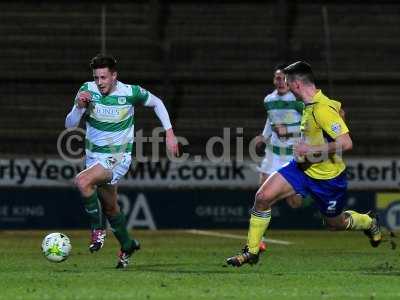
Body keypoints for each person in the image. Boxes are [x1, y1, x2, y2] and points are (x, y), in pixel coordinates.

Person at [227, 61, 381, 267]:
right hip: (301, 168)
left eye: (289, 84)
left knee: (335, 223)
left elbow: (346, 143)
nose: (287, 88)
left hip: (328, 179)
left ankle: (368, 222)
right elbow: (336, 109)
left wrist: (311, 150)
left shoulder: (321, 109)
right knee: (263, 197)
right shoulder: (313, 105)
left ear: (297, 85)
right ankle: (251, 252)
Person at [65, 54, 179, 269]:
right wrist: (78, 107)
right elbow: (70, 125)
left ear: (114, 76)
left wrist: (170, 133)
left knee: (82, 181)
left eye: (104, 77)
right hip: (94, 157)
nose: (100, 82)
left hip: (118, 158)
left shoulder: (130, 92)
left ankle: (98, 230)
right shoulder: (87, 91)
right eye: (97, 77)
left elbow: (157, 103)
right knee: (110, 208)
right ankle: (127, 244)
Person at [256, 64, 304, 251]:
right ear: (273, 80)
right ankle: (258, 238)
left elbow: (307, 126)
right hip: (272, 153)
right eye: (277, 78)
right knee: (261, 196)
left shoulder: (297, 100)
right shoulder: (269, 100)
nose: (281, 81)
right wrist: (263, 136)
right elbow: (271, 120)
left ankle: (303, 189)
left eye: (284, 78)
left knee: (295, 204)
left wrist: (289, 131)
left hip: (291, 155)